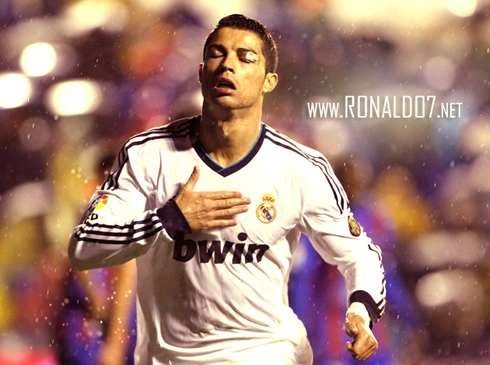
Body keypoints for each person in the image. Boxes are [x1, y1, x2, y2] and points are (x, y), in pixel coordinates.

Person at [68, 14, 385, 364]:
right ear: (202, 73)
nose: (228, 65)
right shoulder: (146, 157)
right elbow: (85, 247)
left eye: (246, 57)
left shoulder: (301, 168)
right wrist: (170, 220)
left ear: (269, 81)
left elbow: (359, 253)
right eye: (218, 54)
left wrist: (361, 308)